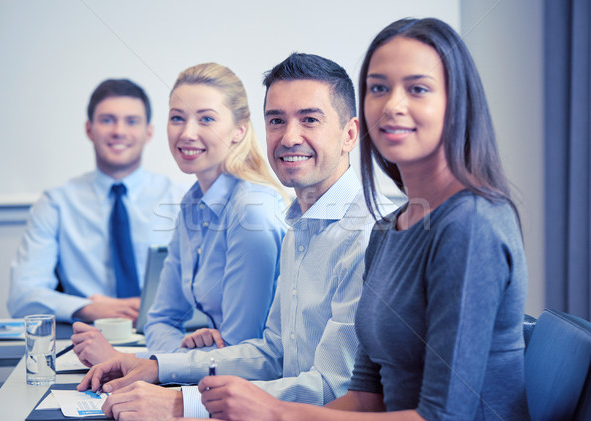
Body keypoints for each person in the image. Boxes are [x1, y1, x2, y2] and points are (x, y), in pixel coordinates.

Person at [195, 17, 530, 421]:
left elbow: (445, 418)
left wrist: (275, 413)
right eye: (379, 88)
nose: (393, 105)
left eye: (418, 89)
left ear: (456, 103)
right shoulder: (389, 229)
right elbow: (365, 398)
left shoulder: (471, 224)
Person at [77, 53, 395, 420]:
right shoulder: (301, 227)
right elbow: (272, 354)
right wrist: (156, 366)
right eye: (276, 120)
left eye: (310, 119)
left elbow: (331, 389)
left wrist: (183, 404)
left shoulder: (368, 234)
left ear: (350, 134)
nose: (290, 137)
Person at [71, 63, 287, 367]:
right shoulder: (192, 203)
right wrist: (186, 353)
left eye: (206, 119)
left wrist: (133, 361)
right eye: (177, 118)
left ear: (239, 129)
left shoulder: (252, 213)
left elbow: (243, 354)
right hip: (213, 377)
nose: (187, 133)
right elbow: (159, 319)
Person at [8, 79, 186, 323]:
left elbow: (208, 289)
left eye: (131, 121)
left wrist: (155, 306)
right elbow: (22, 295)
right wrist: (87, 308)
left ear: (149, 132)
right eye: (107, 120)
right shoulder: (56, 203)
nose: (119, 131)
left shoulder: (181, 199)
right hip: (86, 337)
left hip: (167, 338)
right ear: (89, 129)